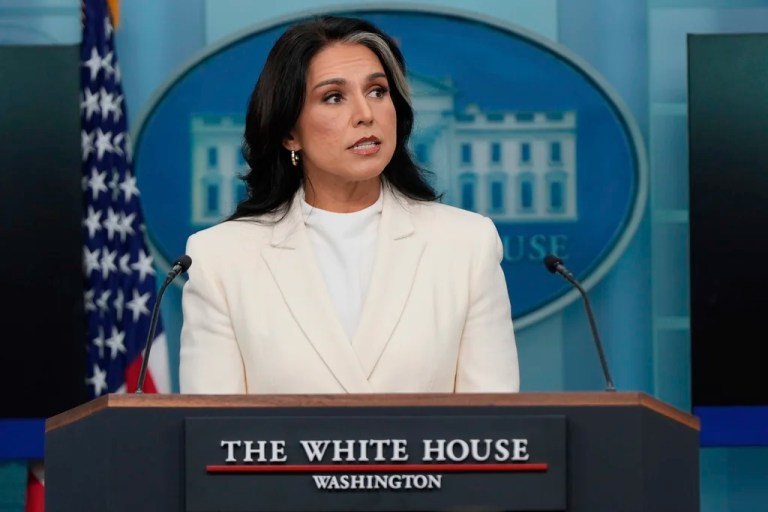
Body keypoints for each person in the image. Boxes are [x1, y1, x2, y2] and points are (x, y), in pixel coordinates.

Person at [179, 15, 520, 394]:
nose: (366, 114)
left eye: (377, 91)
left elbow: (493, 432)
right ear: (290, 133)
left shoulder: (467, 244)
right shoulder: (221, 258)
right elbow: (211, 438)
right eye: (334, 97)